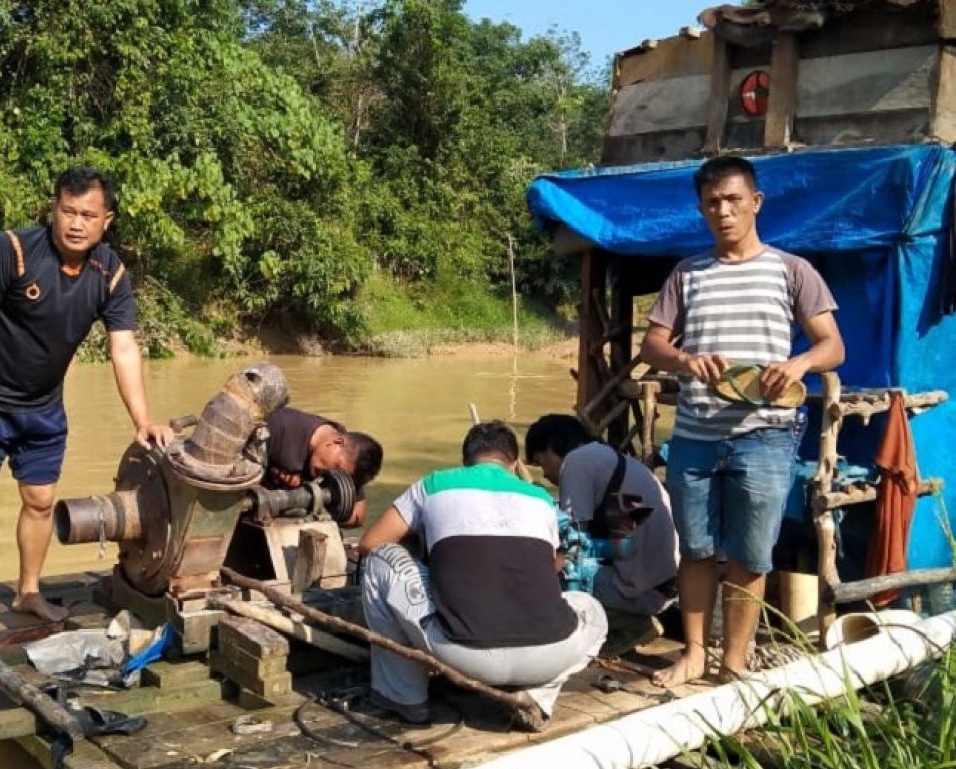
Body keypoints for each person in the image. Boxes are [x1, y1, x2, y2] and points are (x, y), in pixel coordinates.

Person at [640, 156, 844, 687]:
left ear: (756, 202)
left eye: (733, 200)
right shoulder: (687, 274)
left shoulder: (791, 270)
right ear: (701, 209)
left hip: (765, 437)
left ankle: (732, 663)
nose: (723, 211)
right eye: (712, 203)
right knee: (698, 550)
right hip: (695, 437)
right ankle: (692, 653)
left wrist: (798, 363)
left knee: (752, 558)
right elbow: (653, 345)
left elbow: (832, 345)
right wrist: (685, 361)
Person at [0, 167, 174, 644]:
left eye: (87, 215)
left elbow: (124, 348)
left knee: (41, 499)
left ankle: (27, 592)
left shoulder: (109, 274)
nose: (75, 223)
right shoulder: (11, 251)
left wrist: (142, 420)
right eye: (67, 211)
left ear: (106, 220)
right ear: (53, 209)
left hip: (43, 403)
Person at [357, 421, 606, 729]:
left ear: (464, 462)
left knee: (380, 558)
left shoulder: (434, 484)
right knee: (591, 609)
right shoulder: (540, 499)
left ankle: (403, 697)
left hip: (463, 654)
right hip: (549, 655)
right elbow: (550, 565)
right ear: (513, 464)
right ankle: (538, 695)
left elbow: (370, 543)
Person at [525, 414, 678, 625]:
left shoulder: (576, 461)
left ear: (551, 447)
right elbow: (620, 545)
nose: (546, 474)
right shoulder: (612, 460)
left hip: (638, 593)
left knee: (532, 572)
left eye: (542, 463)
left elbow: (575, 545)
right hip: (663, 588)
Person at [262, 406, 383, 526]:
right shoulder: (278, 428)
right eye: (336, 467)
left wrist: (314, 504)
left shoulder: (350, 463)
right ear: (338, 442)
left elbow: (357, 515)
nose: (329, 474)